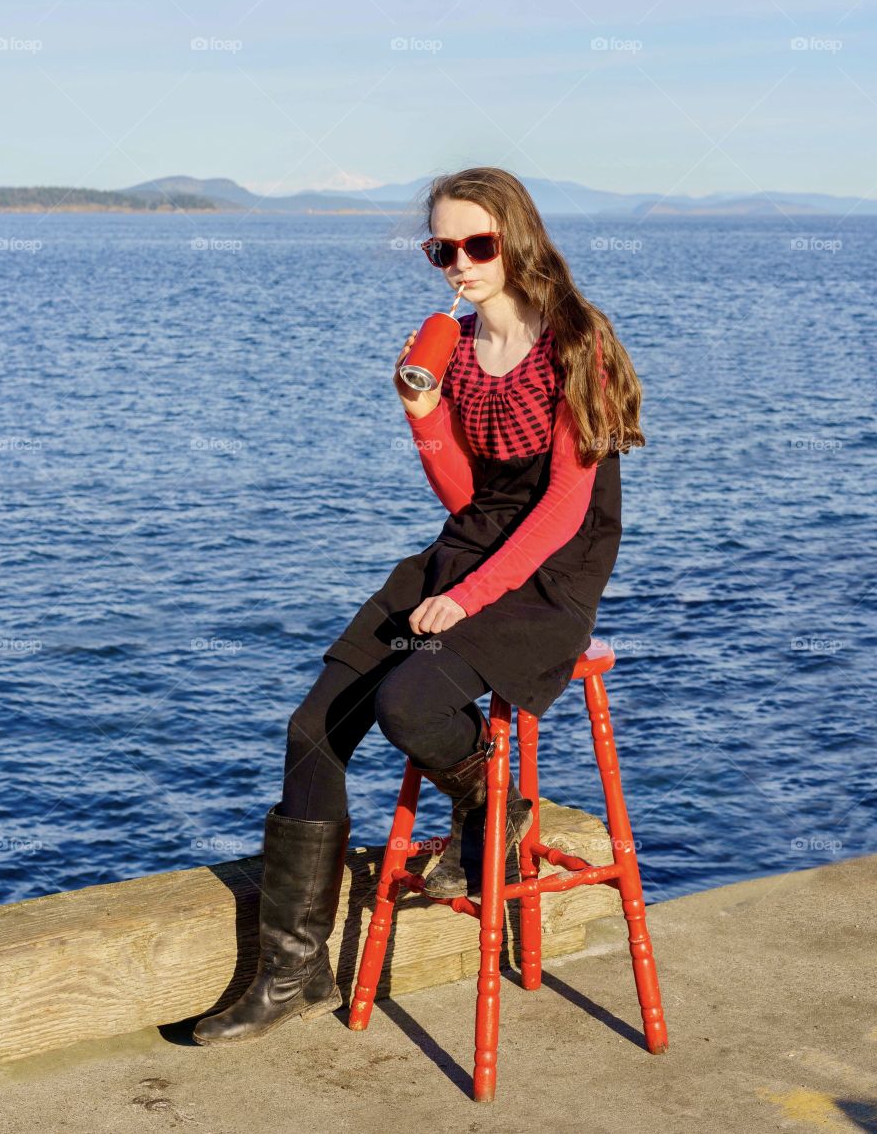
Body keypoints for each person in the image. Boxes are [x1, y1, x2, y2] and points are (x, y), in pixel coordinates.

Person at [192, 166, 646, 1047]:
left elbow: (559, 509)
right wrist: (424, 412)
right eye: (443, 248)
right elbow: (462, 495)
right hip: (470, 542)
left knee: (409, 700)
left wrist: (468, 598)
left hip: (552, 570)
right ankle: (294, 974)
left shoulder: (577, 343)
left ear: (519, 239)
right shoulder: (455, 343)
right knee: (311, 729)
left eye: (477, 245)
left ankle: (490, 803)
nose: (458, 264)